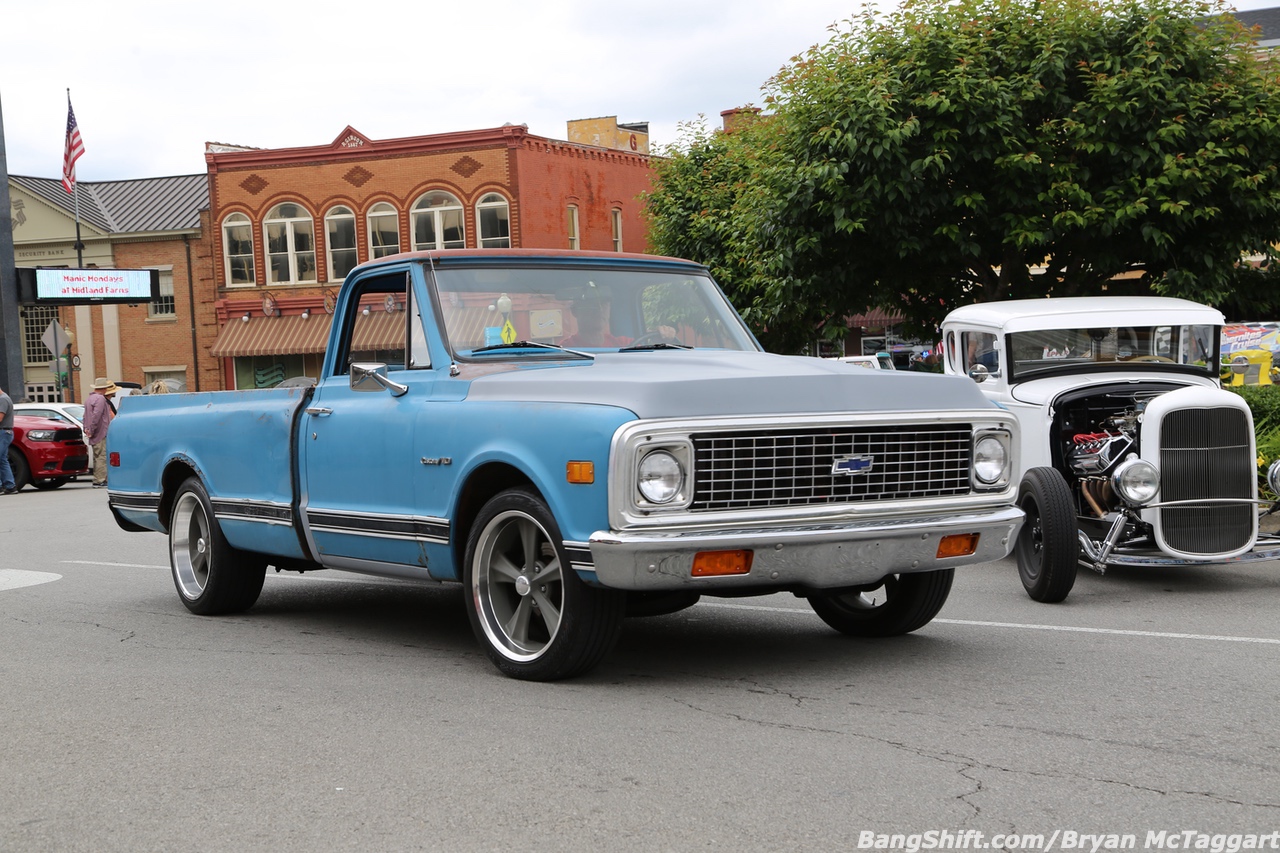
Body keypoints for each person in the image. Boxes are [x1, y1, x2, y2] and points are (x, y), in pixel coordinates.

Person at [83, 377, 118, 489]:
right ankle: (100, 480)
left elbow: (85, 416)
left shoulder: (89, 399)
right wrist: (92, 429)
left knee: (97, 456)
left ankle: (97, 479)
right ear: (104, 388)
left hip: (93, 433)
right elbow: (96, 416)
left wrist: (87, 429)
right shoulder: (101, 399)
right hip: (101, 432)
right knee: (102, 456)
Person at [0, 385, 16, 495]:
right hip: (6, 432)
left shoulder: (3, 400)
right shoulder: (5, 398)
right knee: (2, 460)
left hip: (3, 432)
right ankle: (10, 486)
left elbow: (0, 418)